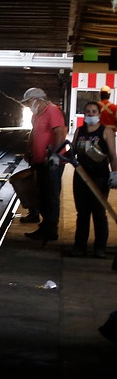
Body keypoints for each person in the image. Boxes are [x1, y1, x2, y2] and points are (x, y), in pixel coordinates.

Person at [69, 101, 117, 257]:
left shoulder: (106, 131)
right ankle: (79, 246)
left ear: (99, 114)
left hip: (100, 178)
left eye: (94, 111)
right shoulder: (79, 131)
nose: (90, 114)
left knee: (98, 212)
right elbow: (72, 151)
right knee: (82, 212)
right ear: (84, 114)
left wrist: (114, 173)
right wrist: (58, 158)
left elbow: (112, 155)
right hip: (81, 176)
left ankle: (100, 248)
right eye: (88, 111)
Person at [21, 87, 67, 241]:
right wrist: (29, 150)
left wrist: (55, 154)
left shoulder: (52, 111)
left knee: (51, 194)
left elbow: (59, 132)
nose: (28, 106)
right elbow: (34, 132)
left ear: (38, 100)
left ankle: (51, 229)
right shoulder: (36, 114)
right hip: (40, 160)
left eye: (29, 102)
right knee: (42, 194)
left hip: (53, 162)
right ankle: (45, 226)